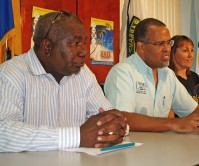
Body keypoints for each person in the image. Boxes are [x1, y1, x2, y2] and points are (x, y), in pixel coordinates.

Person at [0, 11, 127, 152]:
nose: (84, 51)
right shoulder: (11, 73)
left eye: (84, 43)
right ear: (47, 47)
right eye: (74, 43)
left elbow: (110, 119)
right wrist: (77, 136)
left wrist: (116, 127)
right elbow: (2, 131)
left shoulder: (83, 74)